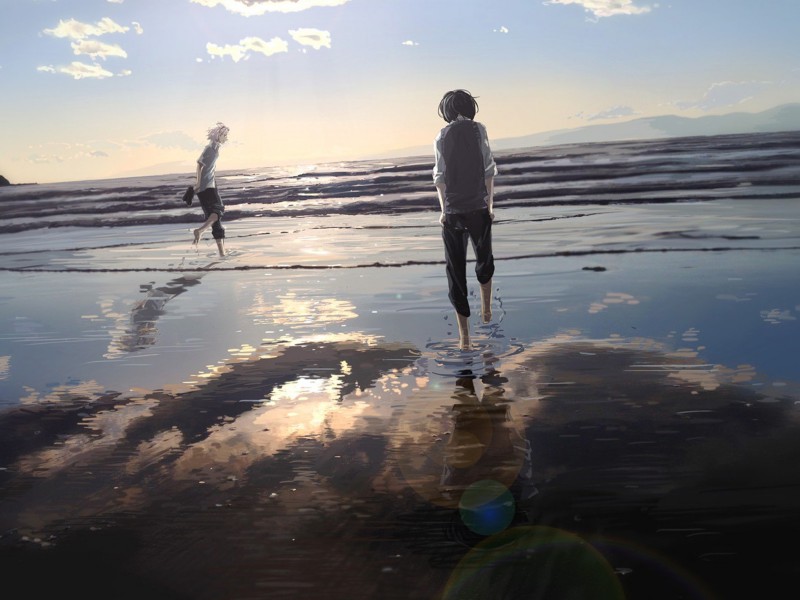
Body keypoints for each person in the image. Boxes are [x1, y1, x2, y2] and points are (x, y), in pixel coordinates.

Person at [433, 90, 498, 350]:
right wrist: (490, 205)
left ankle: (465, 338)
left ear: (447, 111)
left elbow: (440, 179)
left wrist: (444, 211)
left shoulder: (441, 135)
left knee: (456, 271)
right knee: (484, 260)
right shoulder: (478, 130)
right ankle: (486, 310)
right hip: (478, 208)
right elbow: (488, 171)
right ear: (470, 108)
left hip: (453, 211)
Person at [192, 122, 229, 257]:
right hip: (207, 186)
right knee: (218, 211)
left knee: (215, 220)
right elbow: (199, 165)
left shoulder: (215, 148)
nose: (226, 138)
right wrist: (198, 183)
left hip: (208, 185)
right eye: (224, 135)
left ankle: (222, 253)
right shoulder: (209, 149)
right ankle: (200, 231)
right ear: (217, 135)